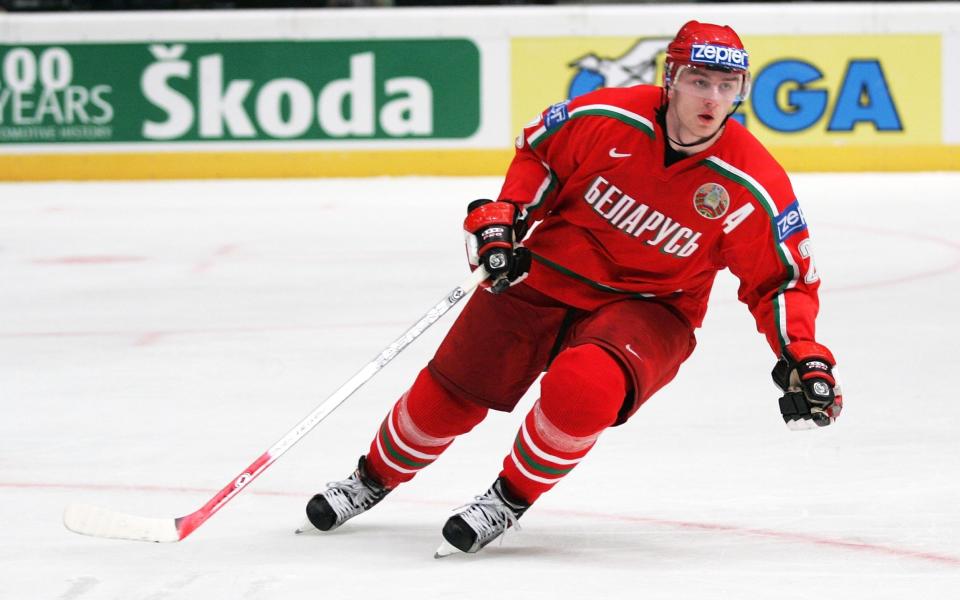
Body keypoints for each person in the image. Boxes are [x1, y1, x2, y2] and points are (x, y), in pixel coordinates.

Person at [300, 20, 843, 557]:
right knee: (444, 400)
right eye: (700, 81)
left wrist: (803, 355)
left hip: (652, 306)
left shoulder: (753, 182)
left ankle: (507, 500)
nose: (713, 98)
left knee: (584, 387)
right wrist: (504, 221)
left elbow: (782, 279)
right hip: (547, 274)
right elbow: (537, 155)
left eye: (727, 87)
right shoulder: (604, 116)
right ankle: (370, 479)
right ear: (671, 77)